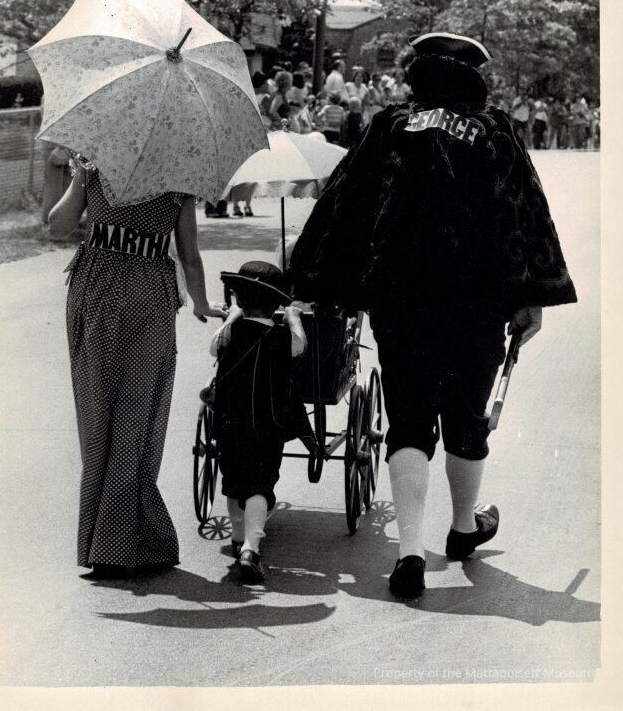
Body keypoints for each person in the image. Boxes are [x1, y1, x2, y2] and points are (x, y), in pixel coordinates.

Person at [288, 32, 577, 599]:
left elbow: (346, 206)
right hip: (478, 301)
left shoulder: (390, 126)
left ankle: (410, 554)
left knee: (410, 418)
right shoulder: (494, 131)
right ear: (474, 75)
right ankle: (464, 527)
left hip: (402, 300)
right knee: (468, 415)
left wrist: (322, 282)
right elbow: (524, 213)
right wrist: (532, 296)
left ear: (420, 71)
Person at [48, 161, 227, 578]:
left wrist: (80, 178)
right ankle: (127, 539)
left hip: (96, 288)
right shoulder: (179, 181)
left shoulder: (95, 168)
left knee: (96, 414)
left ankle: (104, 542)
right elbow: (190, 256)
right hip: (147, 295)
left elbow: (58, 227)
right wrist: (201, 303)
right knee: (137, 415)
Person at [210, 262, 307, 583]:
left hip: (228, 423)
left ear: (239, 298)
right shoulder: (279, 336)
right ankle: (251, 548)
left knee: (233, 479)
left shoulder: (230, 333)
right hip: (267, 425)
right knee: (260, 483)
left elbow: (214, 346)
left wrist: (232, 317)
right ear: (276, 303)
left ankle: (238, 538)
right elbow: (300, 345)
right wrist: (293, 318)